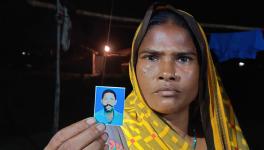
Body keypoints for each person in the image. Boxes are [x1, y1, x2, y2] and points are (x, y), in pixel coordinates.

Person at [45, 3, 249, 150]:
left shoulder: (222, 141)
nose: (167, 73)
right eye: (151, 57)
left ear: (203, 71)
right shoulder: (106, 139)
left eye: (184, 59)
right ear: (134, 69)